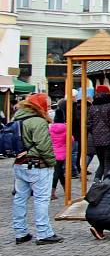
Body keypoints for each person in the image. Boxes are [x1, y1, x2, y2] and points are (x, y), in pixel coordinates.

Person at [11, 92, 64, 245]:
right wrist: (51, 162)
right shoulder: (38, 121)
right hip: (36, 163)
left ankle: (20, 232)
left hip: (20, 163)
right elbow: (43, 146)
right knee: (41, 198)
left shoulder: (17, 118)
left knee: (20, 198)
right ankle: (43, 233)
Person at [87, 85, 110, 182]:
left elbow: (88, 124)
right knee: (108, 163)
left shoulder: (93, 106)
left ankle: (96, 182)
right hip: (108, 139)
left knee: (101, 163)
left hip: (96, 140)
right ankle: (106, 185)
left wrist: (95, 132)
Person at [48, 107, 73, 200]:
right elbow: (71, 140)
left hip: (52, 152)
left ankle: (65, 189)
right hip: (62, 153)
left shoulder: (50, 128)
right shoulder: (66, 128)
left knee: (59, 171)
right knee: (57, 172)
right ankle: (52, 192)